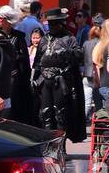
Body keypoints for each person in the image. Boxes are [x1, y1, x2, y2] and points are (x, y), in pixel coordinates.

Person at [32, 8, 86, 144]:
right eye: (50, 24)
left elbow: (79, 55)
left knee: (60, 114)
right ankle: (48, 145)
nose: (52, 27)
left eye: (55, 24)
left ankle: (60, 147)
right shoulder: (44, 39)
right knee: (45, 113)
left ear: (61, 23)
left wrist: (66, 53)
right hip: (45, 81)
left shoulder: (69, 38)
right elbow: (38, 61)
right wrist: (33, 77)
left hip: (60, 80)